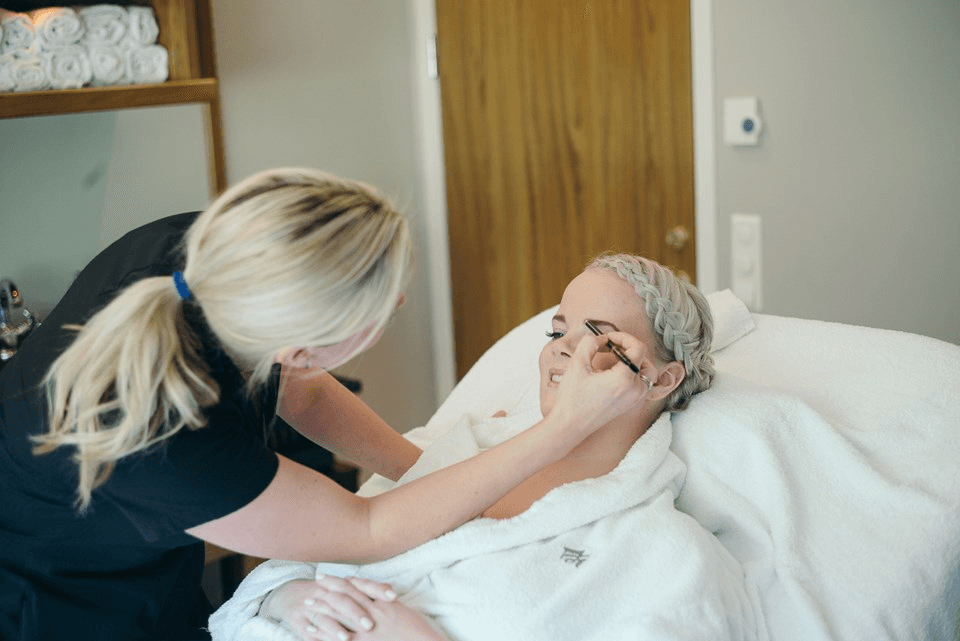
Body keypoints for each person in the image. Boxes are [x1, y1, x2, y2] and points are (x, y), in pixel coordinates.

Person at [0, 169, 653, 641]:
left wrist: (430, 469)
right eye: (382, 308)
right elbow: (365, 531)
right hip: (51, 589)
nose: (397, 306)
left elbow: (300, 388)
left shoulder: (217, 256)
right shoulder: (169, 447)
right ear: (303, 344)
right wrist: (565, 427)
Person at [209, 255, 761, 641]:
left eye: (603, 338)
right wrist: (287, 603)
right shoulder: (459, 450)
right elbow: (301, 562)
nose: (564, 351)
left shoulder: (672, 562)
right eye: (558, 330)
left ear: (662, 380)